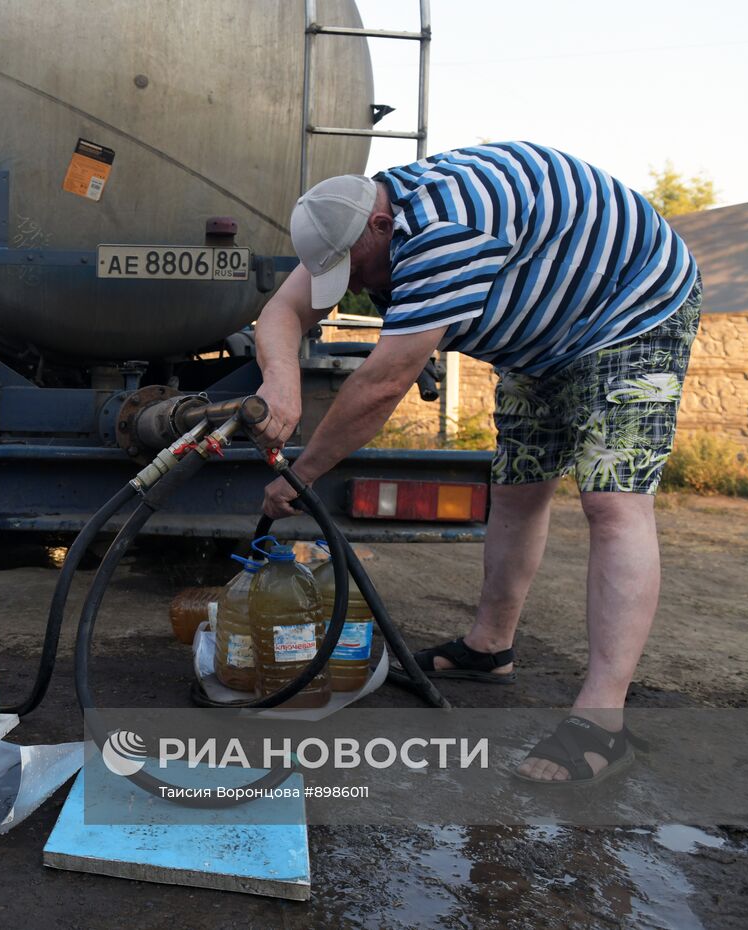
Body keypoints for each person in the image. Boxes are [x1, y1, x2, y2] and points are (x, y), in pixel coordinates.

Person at [252, 142, 699, 786]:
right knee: (517, 486)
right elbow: (281, 312)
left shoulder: (445, 235)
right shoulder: (350, 214)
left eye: (355, 270)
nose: (350, 288)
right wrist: (281, 385)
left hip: (632, 310)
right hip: (546, 335)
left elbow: (383, 383)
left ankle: (602, 723)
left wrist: (303, 473)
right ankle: (489, 649)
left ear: (382, 226)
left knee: (612, 499)